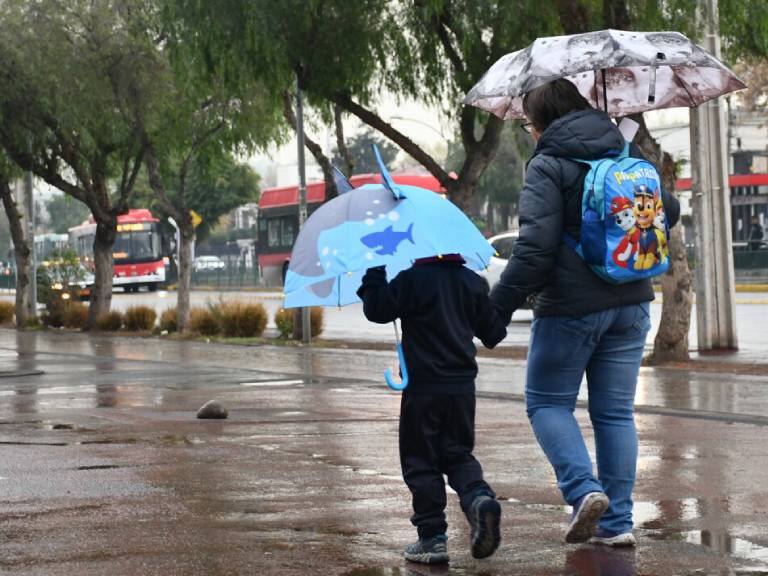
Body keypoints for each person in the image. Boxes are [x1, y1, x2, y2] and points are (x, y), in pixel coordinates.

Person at [490, 79, 680, 547]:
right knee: (615, 414)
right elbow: (668, 211)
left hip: (571, 309)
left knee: (548, 403)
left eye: (529, 123)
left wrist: (494, 310)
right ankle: (617, 526)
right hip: (632, 301)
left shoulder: (549, 164)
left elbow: (534, 250)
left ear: (542, 123)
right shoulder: (626, 152)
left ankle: (583, 491)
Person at [357, 255, 507, 564]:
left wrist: (374, 271)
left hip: (423, 388)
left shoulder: (413, 279)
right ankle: (478, 498)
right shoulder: (470, 281)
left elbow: (377, 309)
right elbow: (493, 334)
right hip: (462, 389)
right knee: (458, 454)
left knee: (420, 460)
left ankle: (432, 539)